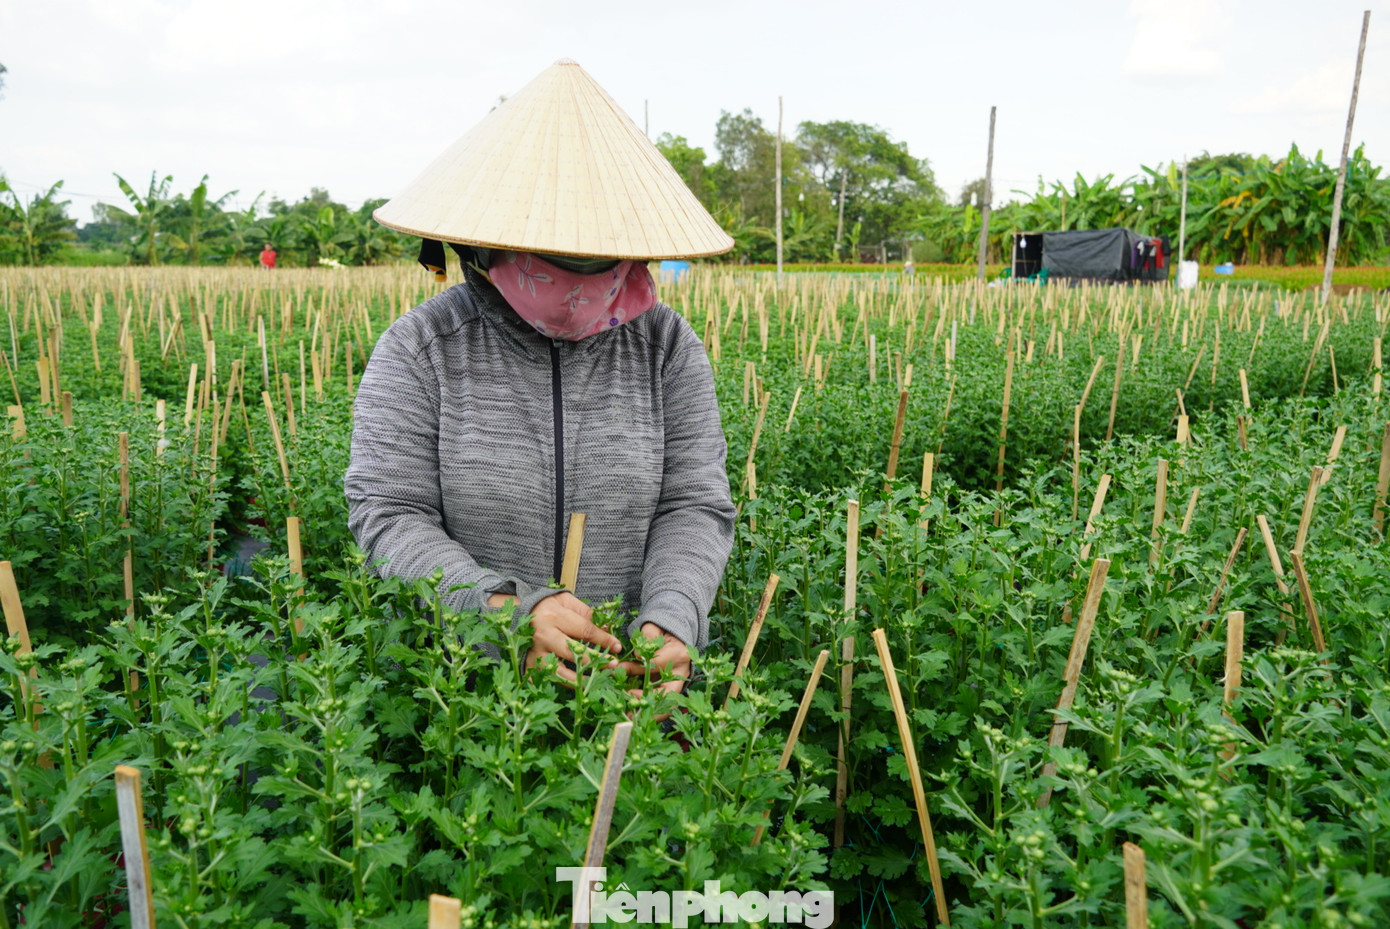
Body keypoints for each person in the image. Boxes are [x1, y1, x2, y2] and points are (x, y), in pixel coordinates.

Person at [346, 60, 736, 696]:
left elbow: (693, 503)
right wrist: (500, 612)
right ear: (485, 245)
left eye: (597, 259)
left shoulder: (665, 348)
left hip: (628, 689)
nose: (577, 284)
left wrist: (670, 619)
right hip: (465, 693)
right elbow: (390, 513)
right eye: (554, 259)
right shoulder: (423, 349)